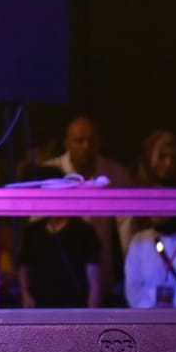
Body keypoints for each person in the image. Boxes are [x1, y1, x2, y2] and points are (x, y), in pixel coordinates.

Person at [41, 115, 132, 300]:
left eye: (92, 141)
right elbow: (37, 226)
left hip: (100, 274)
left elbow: (127, 228)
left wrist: (129, 275)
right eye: (79, 141)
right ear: (67, 143)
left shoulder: (115, 173)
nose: (86, 146)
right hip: (56, 276)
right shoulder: (49, 172)